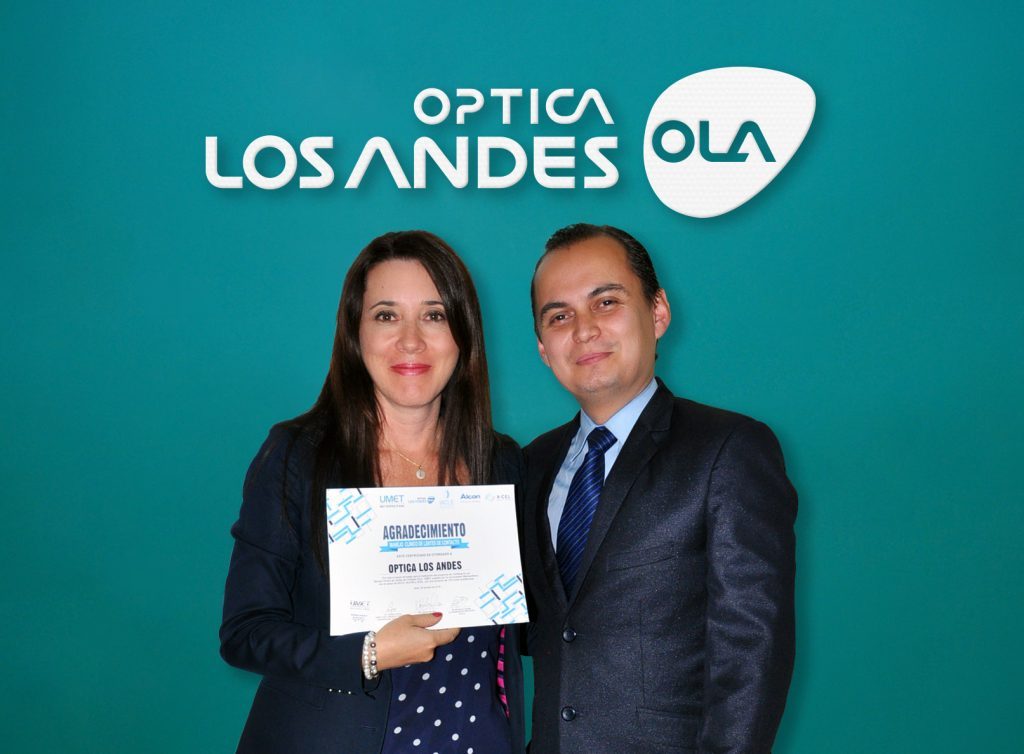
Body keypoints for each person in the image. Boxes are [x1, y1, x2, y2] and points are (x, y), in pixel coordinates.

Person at [220, 230, 525, 754]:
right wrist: (368, 653)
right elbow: (245, 632)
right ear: (355, 334)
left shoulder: (501, 462)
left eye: (434, 315)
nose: (411, 340)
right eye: (386, 316)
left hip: (478, 740)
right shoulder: (298, 456)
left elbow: (529, 622)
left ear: (463, 333)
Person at [521, 224, 797, 754]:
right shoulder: (531, 464)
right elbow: (530, 629)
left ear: (658, 312)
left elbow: (752, 651)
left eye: (606, 302)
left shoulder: (728, 450)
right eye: (559, 316)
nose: (583, 330)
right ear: (542, 347)